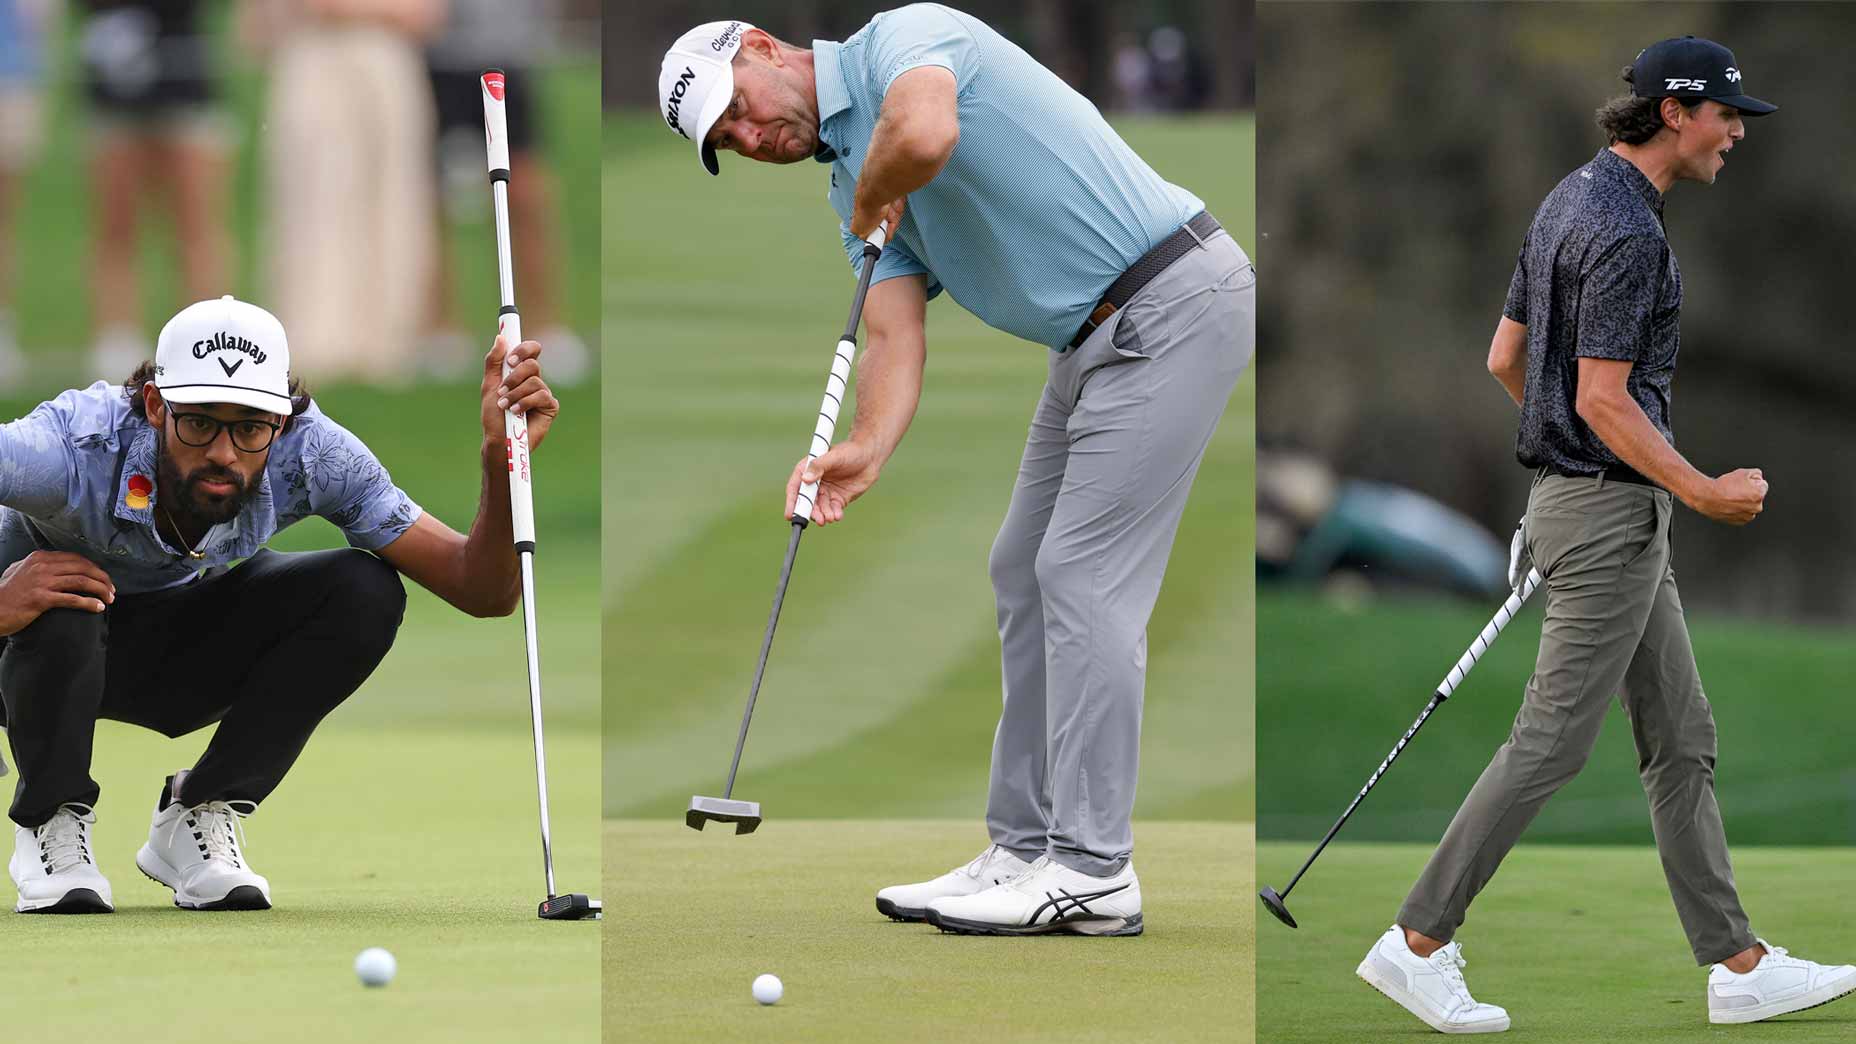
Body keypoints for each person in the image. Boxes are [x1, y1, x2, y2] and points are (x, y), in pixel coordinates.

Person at [657, 6, 1254, 937]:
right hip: (1091, 344)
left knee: (1081, 575)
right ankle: (1023, 850)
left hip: (1170, 303)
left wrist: (869, 197)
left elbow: (926, 131)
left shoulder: (905, 40)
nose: (749, 138)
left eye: (737, 109)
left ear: (764, 50)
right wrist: (866, 448)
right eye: (727, 143)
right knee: (1021, 567)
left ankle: (1095, 871)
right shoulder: (850, 187)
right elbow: (894, 333)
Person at [1355, 37, 1856, 1032]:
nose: (1734, 136)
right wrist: (1699, 489)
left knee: (1680, 739)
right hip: (1606, 514)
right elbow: (1599, 395)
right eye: (1725, 116)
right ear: (1675, 112)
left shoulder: (1567, 198)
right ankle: (1415, 940)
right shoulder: (1627, 233)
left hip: (1588, 506)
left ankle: (1736, 963)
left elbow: (1508, 357)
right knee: (1549, 743)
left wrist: (1556, 465)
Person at [1, 295, 558, 913]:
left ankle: (200, 814)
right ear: (157, 405)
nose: (223, 452)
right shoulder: (71, 448)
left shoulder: (316, 454)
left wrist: (502, 462)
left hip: (168, 651)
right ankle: (48, 820)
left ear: (283, 422)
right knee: (65, 594)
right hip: (25, 653)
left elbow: (483, 591)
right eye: (199, 422)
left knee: (362, 589)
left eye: (249, 427)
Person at [79, 0, 234, 378]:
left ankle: (209, 339)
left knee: (196, 224)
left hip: (186, 84)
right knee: (117, 224)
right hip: (114, 84)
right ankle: (117, 338)